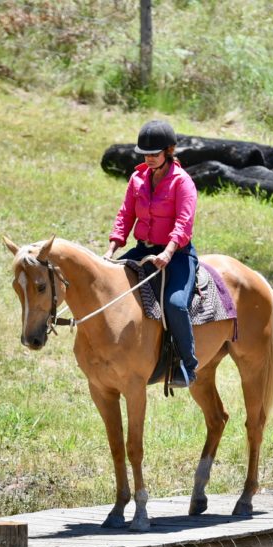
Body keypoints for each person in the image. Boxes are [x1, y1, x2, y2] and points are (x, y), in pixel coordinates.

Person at [104, 120, 199, 387]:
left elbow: (184, 223)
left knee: (175, 304)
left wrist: (167, 253)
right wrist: (112, 248)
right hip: (142, 250)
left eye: (154, 154)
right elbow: (125, 215)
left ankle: (187, 366)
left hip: (176, 254)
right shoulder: (137, 179)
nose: (149, 159)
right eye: (145, 154)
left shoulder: (183, 183)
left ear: (169, 151)